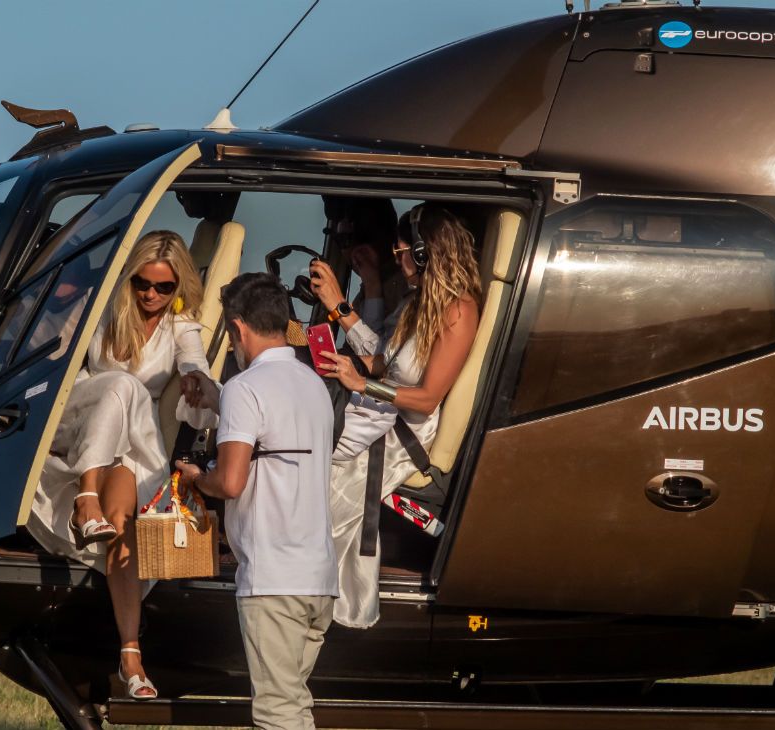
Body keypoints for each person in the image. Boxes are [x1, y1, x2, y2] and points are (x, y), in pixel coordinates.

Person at [27, 230, 216, 700]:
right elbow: (60, 355)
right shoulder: (105, 306)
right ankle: (83, 497)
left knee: (122, 531)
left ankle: (130, 654)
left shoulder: (180, 326)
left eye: (163, 288)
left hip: (134, 439)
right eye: (142, 284)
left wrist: (194, 378)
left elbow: (195, 362)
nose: (150, 295)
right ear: (129, 277)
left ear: (177, 289)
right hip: (85, 410)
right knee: (121, 386)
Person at [176, 273, 337, 730]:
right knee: (294, 707)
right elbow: (274, 431)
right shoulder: (313, 386)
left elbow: (230, 482)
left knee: (276, 715)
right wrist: (219, 396)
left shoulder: (247, 388)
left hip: (273, 580)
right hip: (318, 580)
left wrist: (196, 477)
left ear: (237, 329)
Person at [309, 204, 481, 629]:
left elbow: (425, 399)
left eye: (403, 251)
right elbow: (383, 360)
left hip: (402, 431)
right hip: (380, 413)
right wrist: (352, 302)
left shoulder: (458, 311)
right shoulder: (417, 302)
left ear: (426, 255)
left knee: (305, 453)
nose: (398, 258)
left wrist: (361, 383)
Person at [322, 197, 406, 337]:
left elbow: (376, 355)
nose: (345, 252)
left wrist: (338, 305)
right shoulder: (367, 292)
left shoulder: (404, 292)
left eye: (343, 241)